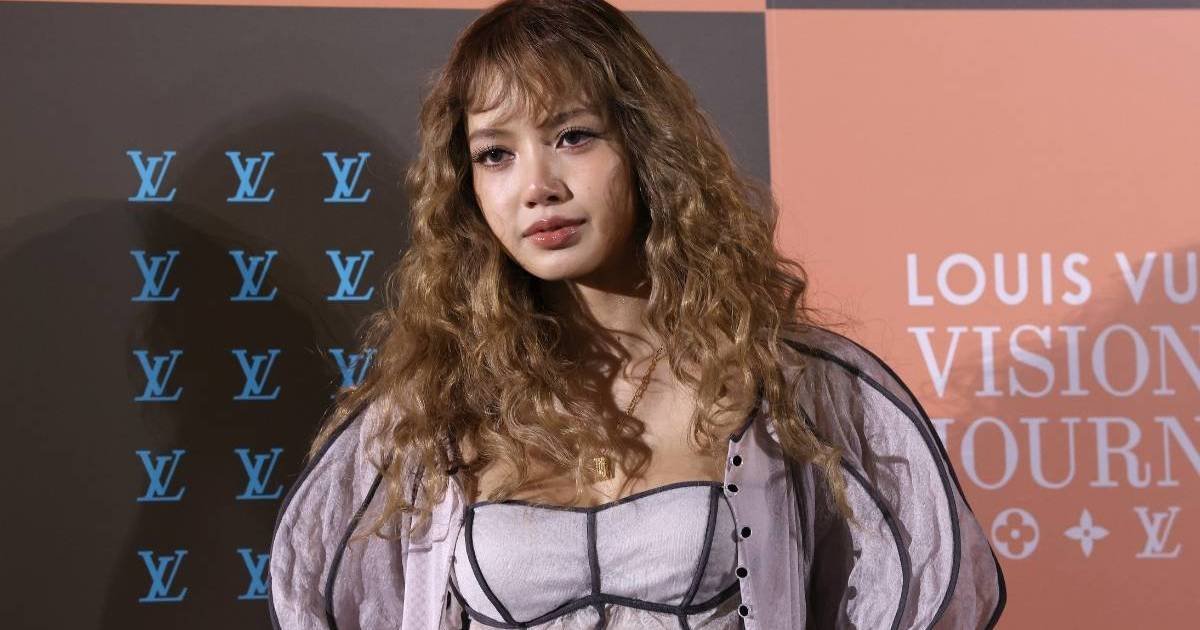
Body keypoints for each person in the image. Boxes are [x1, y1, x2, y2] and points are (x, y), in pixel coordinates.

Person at [268, 0, 1006, 628]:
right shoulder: (429, 412)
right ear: (467, 186)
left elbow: (933, 591)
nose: (537, 186)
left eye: (572, 137)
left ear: (645, 145)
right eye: (496, 154)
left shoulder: (792, 385)